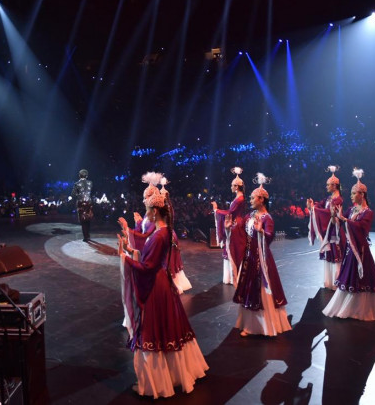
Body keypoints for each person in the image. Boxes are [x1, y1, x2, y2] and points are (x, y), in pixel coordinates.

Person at [119, 185, 208, 398]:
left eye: (148, 209)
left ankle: (157, 383)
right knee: (168, 328)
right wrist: (132, 250)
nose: (146, 213)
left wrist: (125, 258)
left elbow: (148, 267)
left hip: (156, 286)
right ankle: (172, 375)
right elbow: (150, 257)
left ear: (155, 211)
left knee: (154, 330)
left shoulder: (160, 235)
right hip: (163, 283)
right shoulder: (164, 231)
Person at [322, 169, 375, 321]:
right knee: (349, 275)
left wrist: (344, 219)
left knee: (362, 277)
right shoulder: (351, 209)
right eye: (352, 193)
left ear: (362, 195)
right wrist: (334, 216)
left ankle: (360, 309)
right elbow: (340, 222)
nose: (351, 196)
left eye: (354, 194)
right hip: (349, 249)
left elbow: (361, 228)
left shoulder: (368, 212)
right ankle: (348, 307)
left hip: (360, 249)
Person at [230, 173, 291, 337]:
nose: (250, 200)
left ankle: (262, 326)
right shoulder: (250, 215)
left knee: (260, 289)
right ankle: (249, 324)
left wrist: (261, 231)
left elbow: (269, 236)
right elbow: (240, 229)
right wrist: (230, 227)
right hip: (249, 257)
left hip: (261, 259)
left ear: (261, 199)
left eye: (253, 198)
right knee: (249, 289)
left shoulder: (267, 218)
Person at [306, 165, 345, 290]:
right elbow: (320, 205)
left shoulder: (338, 199)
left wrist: (315, 209)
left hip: (335, 230)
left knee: (336, 254)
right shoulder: (329, 198)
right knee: (329, 254)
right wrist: (313, 206)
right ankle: (329, 282)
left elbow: (327, 213)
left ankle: (337, 281)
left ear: (334, 186)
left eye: (328, 185)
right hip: (329, 230)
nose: (326, 187)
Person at [212, 167, 247, 286]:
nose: (231, 187)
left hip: (235, 226)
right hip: (236, 224)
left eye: (232, 185)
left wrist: (216, 210)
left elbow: (230, 213)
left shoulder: (239, 199)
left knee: (233, 249)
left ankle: (234, 277)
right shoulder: (239, 197)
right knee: (232, 249)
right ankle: (232, 276)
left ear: (236, 187)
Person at [71, 169, 93, 242]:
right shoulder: (90, 183)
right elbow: (92, 192)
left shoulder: (77, 183)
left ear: (79, 175)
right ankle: (88, 235)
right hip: (89, 203)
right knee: (88, 219)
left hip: (81, 203)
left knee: (83, 220)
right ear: (87, 175)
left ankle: (85, 237)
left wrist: (79, 196)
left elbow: (73, 194)